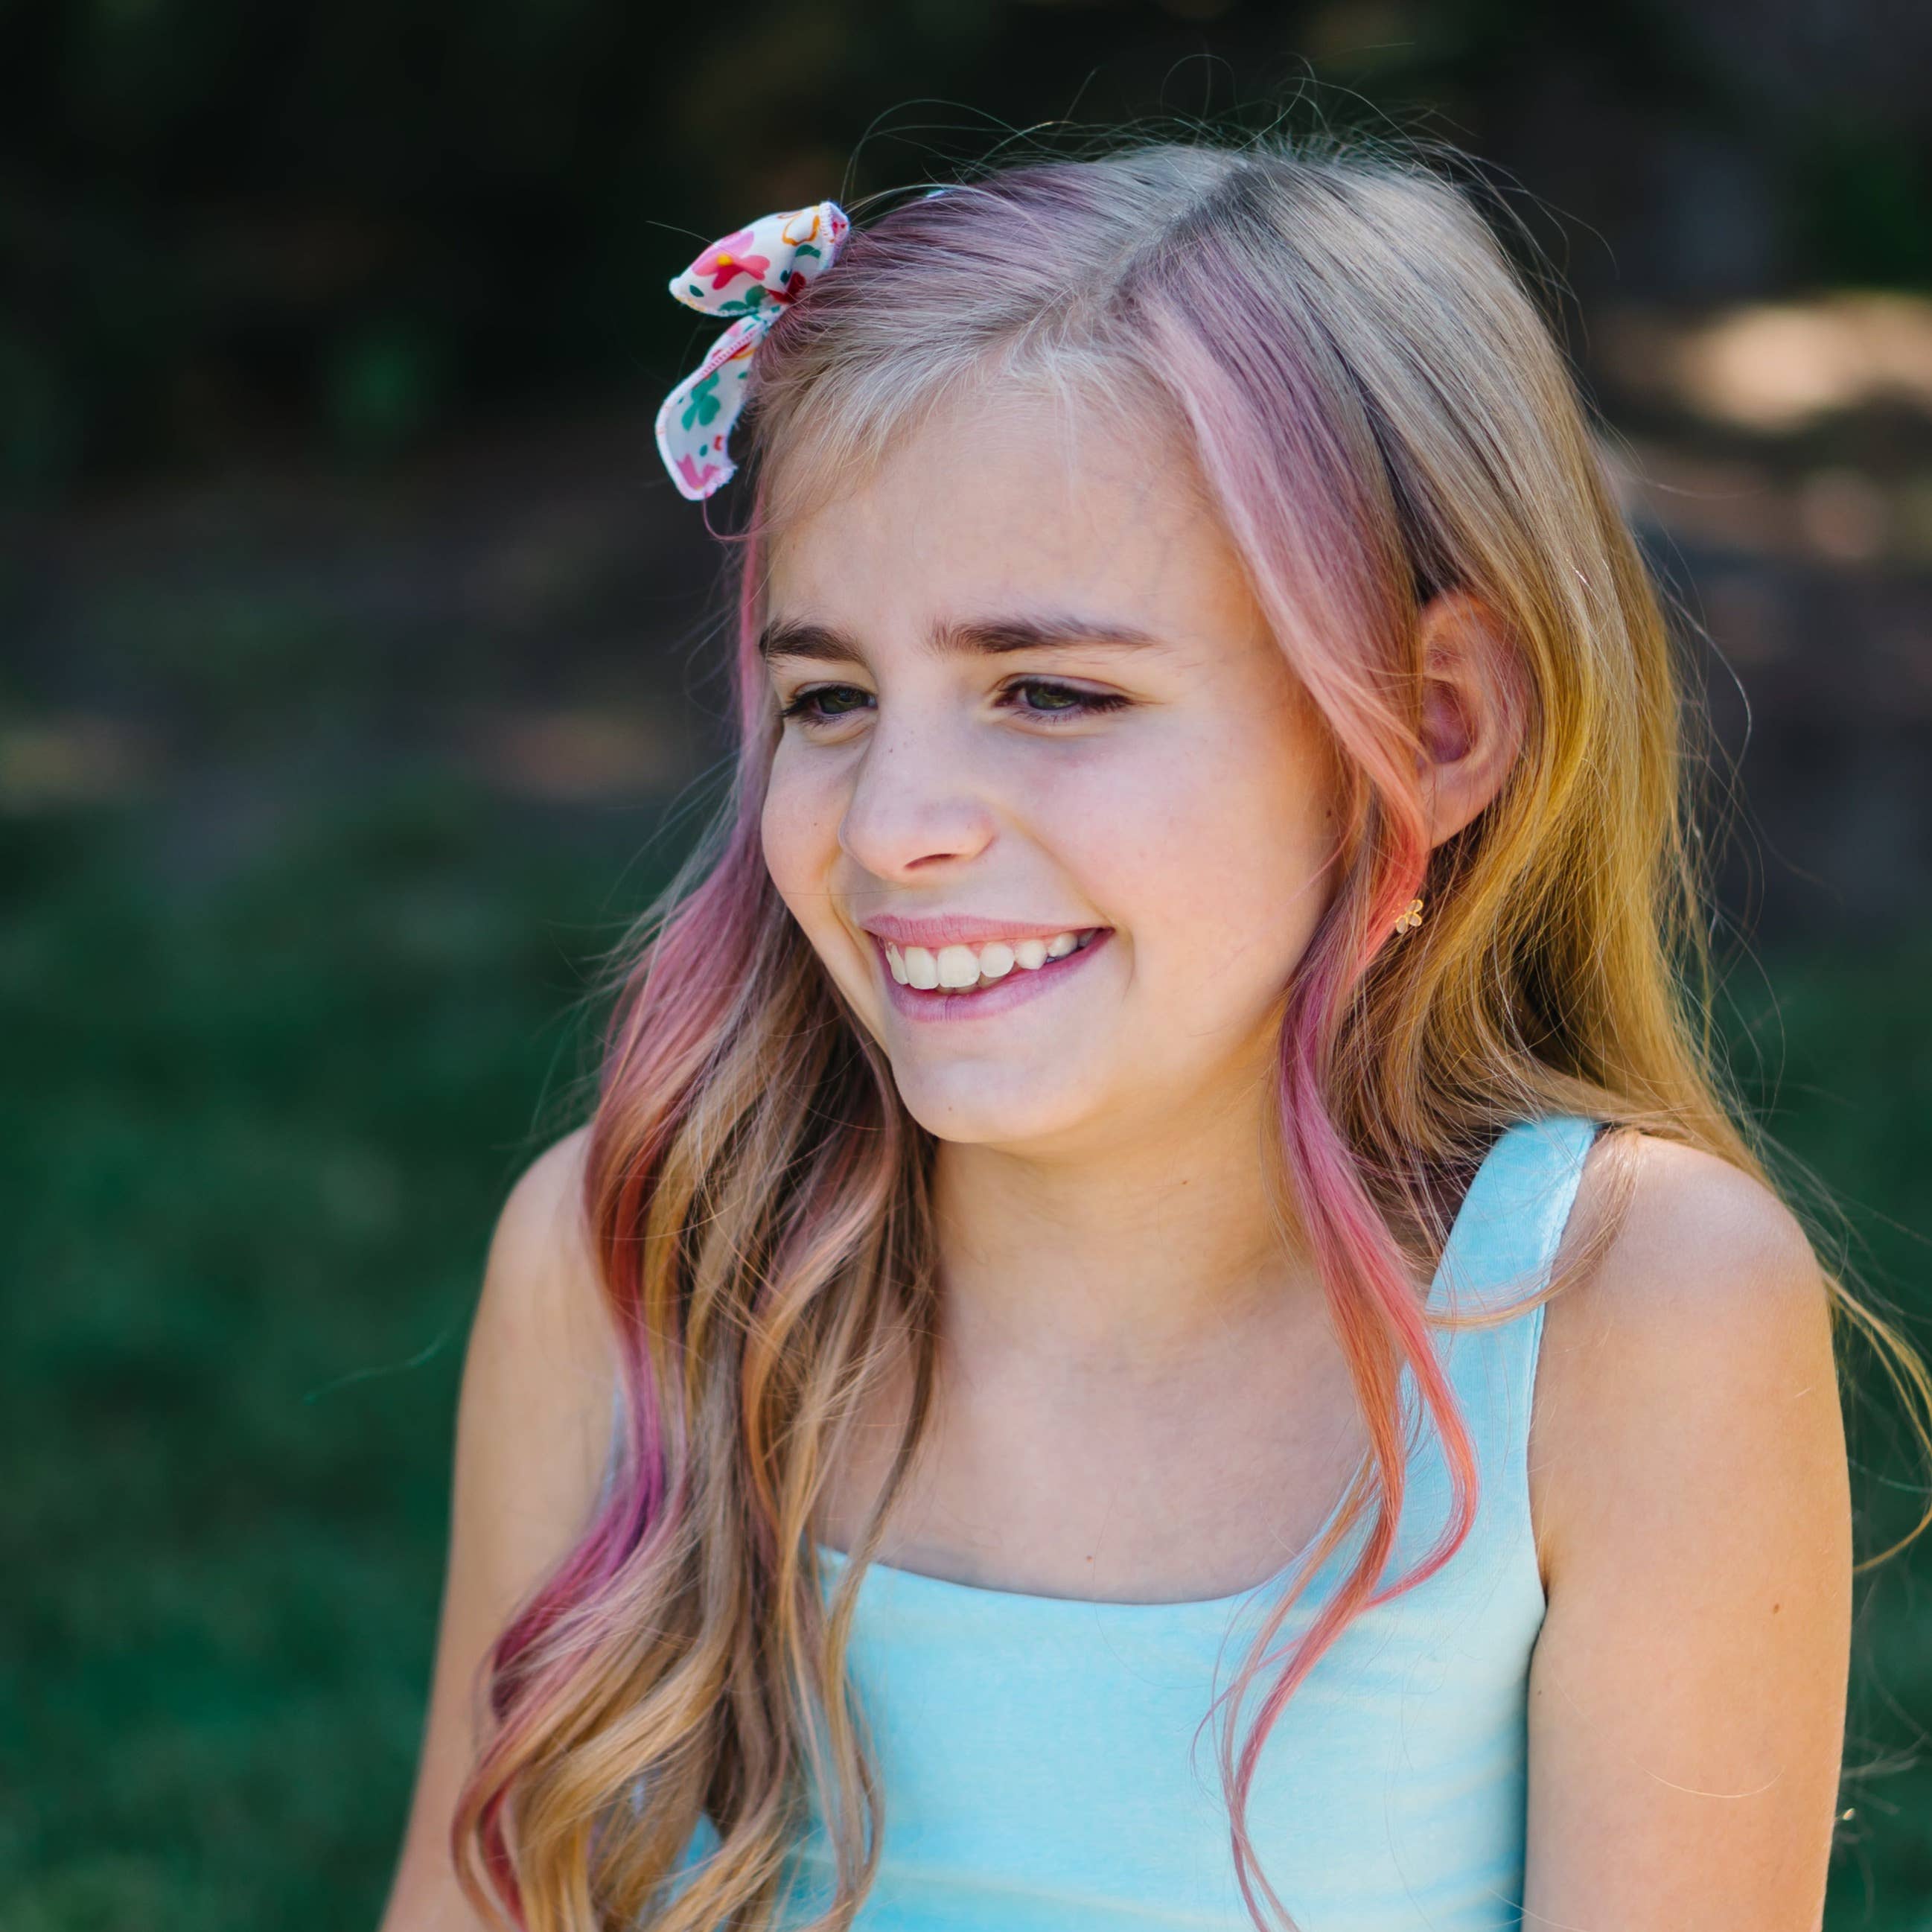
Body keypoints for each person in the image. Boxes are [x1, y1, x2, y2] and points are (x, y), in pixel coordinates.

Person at [375, 133, 1896, 1931]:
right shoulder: (635, 1258)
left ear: (1429, 725)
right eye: (829, 697)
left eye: (1049, 690)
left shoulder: (1621, 1313)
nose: (891, 826)